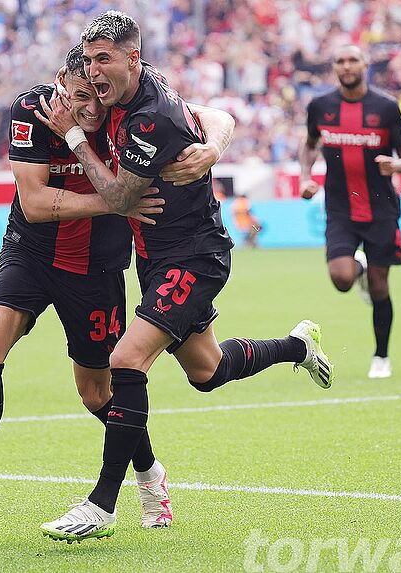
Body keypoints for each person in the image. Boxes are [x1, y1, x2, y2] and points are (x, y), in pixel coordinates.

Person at [34, 11, 334, 543]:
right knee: (207, 371)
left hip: (194, 256)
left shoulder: (153, 116)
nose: (94, 72)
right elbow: (216, 114)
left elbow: (120, 196)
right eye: (89, 62)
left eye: (103, 60)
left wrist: (74, 137)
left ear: (132, 57)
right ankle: (297, 347)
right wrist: (214, 143)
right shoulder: (129, 88)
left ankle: (102, 504)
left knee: (126, 359)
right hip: (155, 257)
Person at [0, 43, 235, 534]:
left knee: (96, 392)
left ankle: (150, 475)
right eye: (78, 97)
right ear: (60, 84)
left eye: (96, 97)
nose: (89, 109)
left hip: (96, 268)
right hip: (30, 254)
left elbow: (208, 114)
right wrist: (118, 201)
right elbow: (35, 204)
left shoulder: (124, 110)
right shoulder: (31, 110)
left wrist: (212, 147)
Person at [298, 45, 401, 380]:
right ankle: (357, 268)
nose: (346, 66)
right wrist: (305, 176)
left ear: (365, 65)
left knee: (380, 287)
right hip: (340, 208)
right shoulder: (320, 106)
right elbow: (309, 144)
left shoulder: (386, 107)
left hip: (381, 209)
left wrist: (397, 165)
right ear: (334, 67)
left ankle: (381, 356)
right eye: (340, 61)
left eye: (352, 60)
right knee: (341, 278)